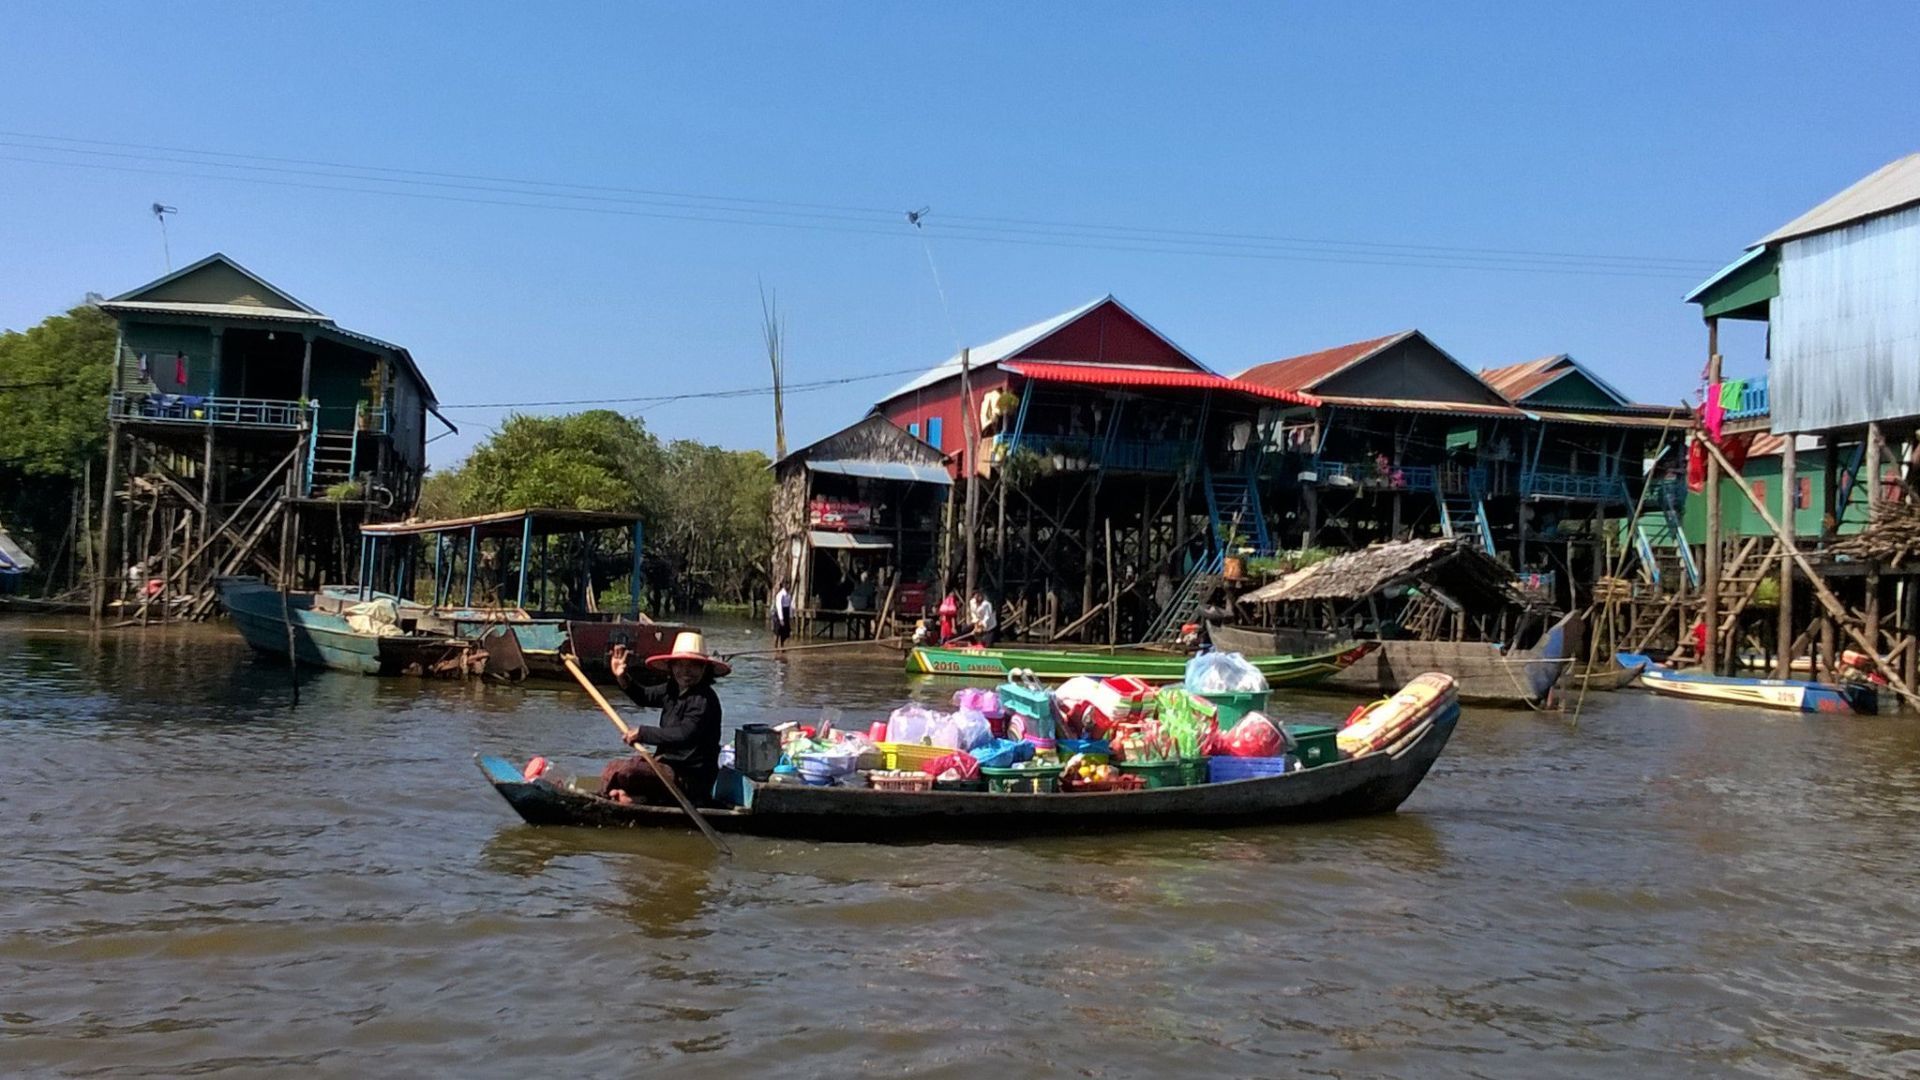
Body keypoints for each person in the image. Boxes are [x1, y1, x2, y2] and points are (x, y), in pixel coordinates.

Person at [598, 631, 730, 806]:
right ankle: (620, 797)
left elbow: (684, 734)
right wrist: (622, 676)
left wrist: (643, 733)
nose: (685, 672)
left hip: (690, 777)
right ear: (672, 666)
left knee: (629, 772)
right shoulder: (672, 689)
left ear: (704, 669)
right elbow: (644, 696)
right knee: (611, 768)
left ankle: (632, 798)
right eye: (680, 665)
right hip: (666, 765)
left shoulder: (704, 699)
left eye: (693, 666)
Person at [772, 581, 794, 650]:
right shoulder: (780, 594)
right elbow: (779, 607)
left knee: (784, 632)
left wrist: (790, 616)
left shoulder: (788, 595)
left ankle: (782, 646)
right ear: (784, 585)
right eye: (787, 585)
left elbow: (790, 606)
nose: (789, 587)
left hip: (786, 613)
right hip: (779, 613)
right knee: (777, 631)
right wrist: (781, 618)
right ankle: (775, 647)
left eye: (789, 585)